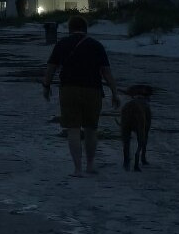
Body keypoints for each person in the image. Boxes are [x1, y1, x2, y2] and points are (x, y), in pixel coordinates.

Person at [42, 15, 120, 176]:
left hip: (69, 90)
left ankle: (77, 169)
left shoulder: (62, 44)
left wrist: (46, 86)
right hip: (93, 90)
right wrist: (114, 92)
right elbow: (106, 72)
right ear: (85, 29)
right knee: (91, 129)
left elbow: (51, 68)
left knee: (73, 129)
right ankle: (90, 165)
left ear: (69, 29)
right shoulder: (96, 45)